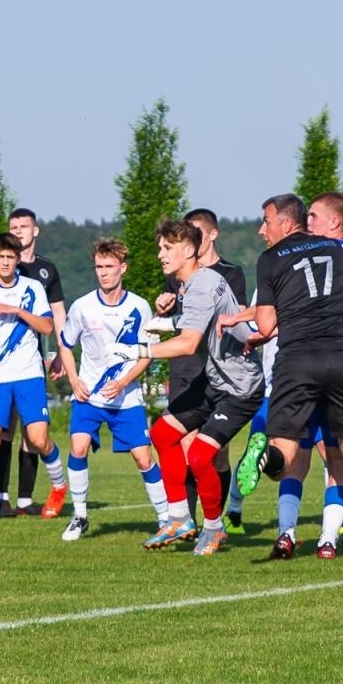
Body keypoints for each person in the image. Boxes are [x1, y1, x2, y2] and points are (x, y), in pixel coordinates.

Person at [225, 193, 343, 566]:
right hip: (341, 358)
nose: (261, 230)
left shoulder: (271, 259)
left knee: (287, 457)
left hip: (297, 363)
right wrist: (324, 310)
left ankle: (266, 456)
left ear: (285, 223)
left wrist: (293, 312)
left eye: (266, 221)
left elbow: (266, 326)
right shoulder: (336, 250)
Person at [113, 220, 263, 555]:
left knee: (198, 455)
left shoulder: (200, 286)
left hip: (240, 388)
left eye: (168, 247)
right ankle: (180, 518)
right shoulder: (196, 281)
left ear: (190, 250)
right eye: (160, 247)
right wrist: (166, 322)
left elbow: (188, 343)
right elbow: (198, 322)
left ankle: (214, 529)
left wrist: (137, 350)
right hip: (214, 379)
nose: (160, 254)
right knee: (163, 434)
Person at [248, 191, 343, 559]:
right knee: (329, 458)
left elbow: (274, 316)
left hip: (302, 365)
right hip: (335, 364)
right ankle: (321, 540)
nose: (309, 222)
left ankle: (295, 534)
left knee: (305, 457)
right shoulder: (336, 255)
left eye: (315, 216)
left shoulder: (331, 256)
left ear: (335, 222)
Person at [52, 239, 162, 541]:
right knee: (78, 447)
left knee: (143, 458)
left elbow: (148, 353)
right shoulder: (83, 306)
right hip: (89, 396)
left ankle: (166, 518)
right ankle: (80, 516)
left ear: (122, 268)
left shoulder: (139, 306)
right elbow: (65, 344)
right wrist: (74, 379)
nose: (103, 272)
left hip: (126, 398)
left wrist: (124, 382)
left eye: (109, 266)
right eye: (99, 267)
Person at [0, 233, 70, 521]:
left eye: (11, 257)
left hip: (28, 374)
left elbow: (47, 327)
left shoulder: (32, 288)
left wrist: (16, 310)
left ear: (18, 259)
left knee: (38, 438)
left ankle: (59, 485)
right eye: (1, 257)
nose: (6, 262)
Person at [153, 208, 247, 529]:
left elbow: (236, 317)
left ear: (209, 236)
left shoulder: (227, 274)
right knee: (180, 442)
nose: (163, 253)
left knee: (211, 454)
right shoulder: (179, 274)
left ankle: (214, 522)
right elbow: (179, 318)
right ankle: (186, 521)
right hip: (186, 369)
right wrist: (163, 308)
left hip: (218, 374)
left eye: (194, 233)